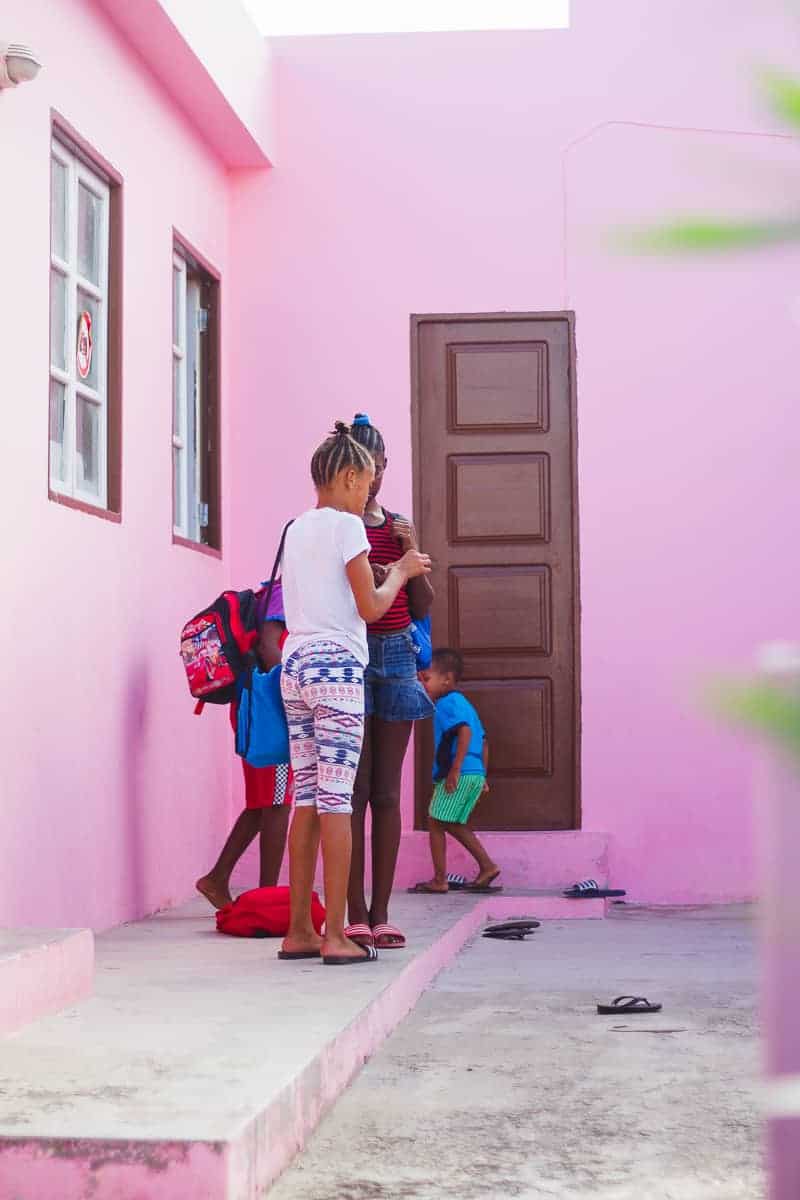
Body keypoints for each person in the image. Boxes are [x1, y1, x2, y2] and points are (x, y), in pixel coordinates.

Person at [279, 421, 431, 964]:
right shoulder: (348, 527)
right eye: (366, 483)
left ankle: (298, 931)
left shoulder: (296, 528)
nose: (369, 494)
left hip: (295, 665)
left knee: (305, 798)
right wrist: (402, 571)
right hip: (337, 669)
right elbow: (371, 607)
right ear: (347, 477)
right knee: (338, 801)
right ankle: (337, 934)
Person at [345, 413, 435, 950]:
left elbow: (422, 607)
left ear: (385, 466)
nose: (372, 478)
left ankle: (381, 912)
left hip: (398, 656)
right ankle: (354, 912)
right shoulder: (339, 525)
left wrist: (409, 554)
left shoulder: (398, 525)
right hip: (354, 656)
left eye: (378, 467)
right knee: (353, 791)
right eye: (363, 468)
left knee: (386, 793)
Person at [195, 584, 291, 910]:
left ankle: (217, 878)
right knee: (277, 803)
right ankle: (267, 898)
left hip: (256, 707)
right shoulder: (283, 593)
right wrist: (292, 697)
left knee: (266, 802)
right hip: (269, 710)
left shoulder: (273, 591)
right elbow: (269, 647)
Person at [414, 648, 500, 894]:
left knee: (436, 821)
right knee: (447, 822)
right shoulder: (465, 705)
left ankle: (443, 878)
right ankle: (484, 867)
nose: (423, 684)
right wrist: (482, 775)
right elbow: (484, 741)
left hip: (459, 772)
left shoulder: (447, 703)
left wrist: (455, 769)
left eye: (426, 679)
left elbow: (465, 732)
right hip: (474, 772)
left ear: (447, 679)